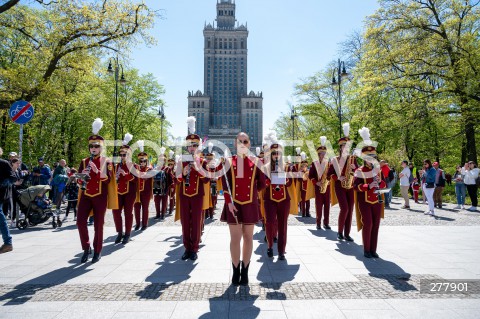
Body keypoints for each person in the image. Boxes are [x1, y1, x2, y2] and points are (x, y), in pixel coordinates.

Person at [221, 132, 266, 285]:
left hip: (250, 203)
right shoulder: (228, 161)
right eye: (239, 141)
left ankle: (245, 271)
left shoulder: (256, 162)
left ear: (249, 144)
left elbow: (262, 183)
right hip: (233, 204)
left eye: (245, 141)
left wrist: (252, 194)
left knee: (248, 237)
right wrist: (229, 202)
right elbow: (225, 185)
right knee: (235, 238)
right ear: (235, 143)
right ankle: (235, 270)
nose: (242, 143)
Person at [76, 118, 117, 263]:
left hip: (100, 196)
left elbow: (108, 179)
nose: (93, 148)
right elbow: (79, 179)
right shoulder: (84, 161)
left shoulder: (107, 161)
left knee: (98, 225)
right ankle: (86, 248)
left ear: (101, 147)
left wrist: (97, 170)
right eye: (91, 146)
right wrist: (80, 178)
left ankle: (97, 250)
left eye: (96, 146)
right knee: (80, 222)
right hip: (86, 195)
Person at [176, 116, 208, 261]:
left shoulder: (202, 161)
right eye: (190, 145)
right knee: (185, 222)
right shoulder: (181, 160)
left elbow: (207, 179)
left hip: (197, 195)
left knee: (196, 221)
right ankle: (186, 248)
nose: (192, 148)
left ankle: (194, 248)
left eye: (195, 145)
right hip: (184, 194)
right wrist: (182, 174)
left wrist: (198, 168)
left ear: (198, 146)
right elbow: (175, 179)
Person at [353, 127, 387, 258]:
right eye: (369, 157)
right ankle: (366, 249)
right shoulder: (360, 170)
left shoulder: (377, 170)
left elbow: (384, 184)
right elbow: (355, 186)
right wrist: (368, 185)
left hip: (377, 200)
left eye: (373, 156)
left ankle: (373, 249)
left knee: (376, 225)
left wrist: (379, 183)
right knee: (368, 224)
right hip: (365, 201)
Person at [328, 123, 358, 242]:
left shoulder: (353, 159)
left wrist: (354, 168)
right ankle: (340, 232)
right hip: (340, 186)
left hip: (350, 186)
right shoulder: (335, 159)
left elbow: (358, 171)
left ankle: (347, 233)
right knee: (344, 208)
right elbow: (329, 174)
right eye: (343, 146)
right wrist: (338, 177)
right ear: (340, 148)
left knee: (350, 209)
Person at [263, 142, 292, 260]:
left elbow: (290, 182)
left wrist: (285, 179)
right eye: (274, 153)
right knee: (269, 222)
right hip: (270, 198)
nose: (276, 155)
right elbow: (262, 183)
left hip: (284, 199)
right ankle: (270, 245)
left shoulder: (286, 166)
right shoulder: (265, 167)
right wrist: (269, 180)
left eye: (278, 153)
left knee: (283, 225)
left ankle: (281, 251)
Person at [113, 133, 137, 244]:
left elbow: (136, 179)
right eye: (121, 155)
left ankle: (127, 233)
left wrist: (126, 174)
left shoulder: (134, 165)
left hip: (130, 192)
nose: (123, 157)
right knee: (116, 212)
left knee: (128, 213)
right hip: (118, 191)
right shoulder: (117, 166)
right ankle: (119, 232)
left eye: (125, 154)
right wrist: (115, 177)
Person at [309, 136, 331, 230]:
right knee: (318, 206)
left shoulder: (329, 164)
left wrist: (329, 180)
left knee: (327, 206)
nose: (324, 155)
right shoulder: (314, 163)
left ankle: (326, 223)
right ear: (318, 154)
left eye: (325, 153)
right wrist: (316, 183)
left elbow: (331, 174)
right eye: (322, 153)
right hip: (318, 187)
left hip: (327, 187)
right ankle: (318, 223)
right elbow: (310, 176)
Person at [0, 147, 17, 253]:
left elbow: (13, 178)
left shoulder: (4, 163)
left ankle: (8, 243)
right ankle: (8, 242)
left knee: (1, 217)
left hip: (0, 194)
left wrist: (2, 183)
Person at [133, 141, 153, 231]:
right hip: (137, 191)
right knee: (137, 208)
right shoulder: (136, 168)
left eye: (144, 161)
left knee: (145, 208)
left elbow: (146, 176)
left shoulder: (149, 169)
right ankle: (137, 224)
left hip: (146, 191)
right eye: (140, 161)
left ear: (146, 160)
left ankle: (144, 224)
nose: (142, 162)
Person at [153, 148, 173, 220]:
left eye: (163, 160)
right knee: (157, 201)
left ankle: (163, 214)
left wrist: (169, 186)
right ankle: (158, 214)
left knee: (164, 201)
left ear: (165, 161)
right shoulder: (155, 168)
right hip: (156, 185)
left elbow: (171, 178)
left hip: (165, 186)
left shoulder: (168, 169)